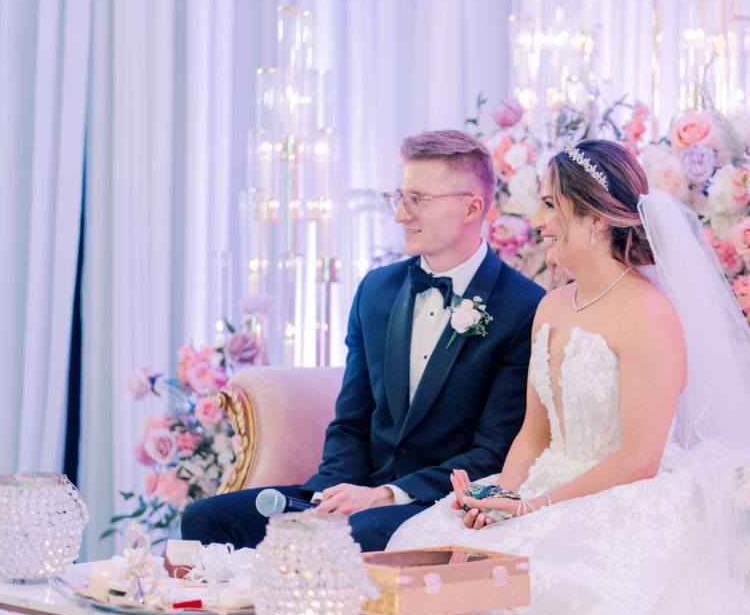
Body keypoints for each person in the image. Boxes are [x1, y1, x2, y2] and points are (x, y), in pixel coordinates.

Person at [388, 139, 750, 615]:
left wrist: (534, 507)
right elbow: (534, 435)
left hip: (623, 495)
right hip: (541, 486)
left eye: (549, 204)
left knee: (544, 581)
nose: (537, 220)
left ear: (595, 219)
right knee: (419, 541)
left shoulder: (649, 313)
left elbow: (640, 459)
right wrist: (498, 499)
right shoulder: (550, 306)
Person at [181, 130, 544, 552]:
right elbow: (351, 422)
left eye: (418, 199)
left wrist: (386, 496)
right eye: (400, 197)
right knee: (207, 519)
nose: (401, 215)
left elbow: (492, 453)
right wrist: (329, 497)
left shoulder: (525, 308)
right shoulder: (376, 290)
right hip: (360, 495)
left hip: (439, 504)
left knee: (356, 536)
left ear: (472, 207)